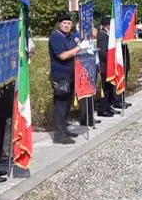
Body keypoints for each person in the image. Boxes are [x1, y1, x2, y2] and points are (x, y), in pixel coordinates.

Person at [48, 13, 87, 144]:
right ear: (59, 24)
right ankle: (59, 135)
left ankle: (64, 129)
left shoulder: (69, 37)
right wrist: (78, 48)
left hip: (71, 75)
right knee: (60, 106)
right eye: (64, 23)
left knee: (67, 105)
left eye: (69, 23)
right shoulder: (56, 37)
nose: (67, 25)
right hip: (60, 77)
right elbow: (63, 56)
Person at [96, 17, 117, 117]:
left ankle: (108, 106)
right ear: (107, 25)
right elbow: (103, 52)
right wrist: (112, 57)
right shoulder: (102, 35)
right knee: (105, 88)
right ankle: (102, 109)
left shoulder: (108, 35)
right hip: (105, 66)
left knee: (110, 87)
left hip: (110, 65)